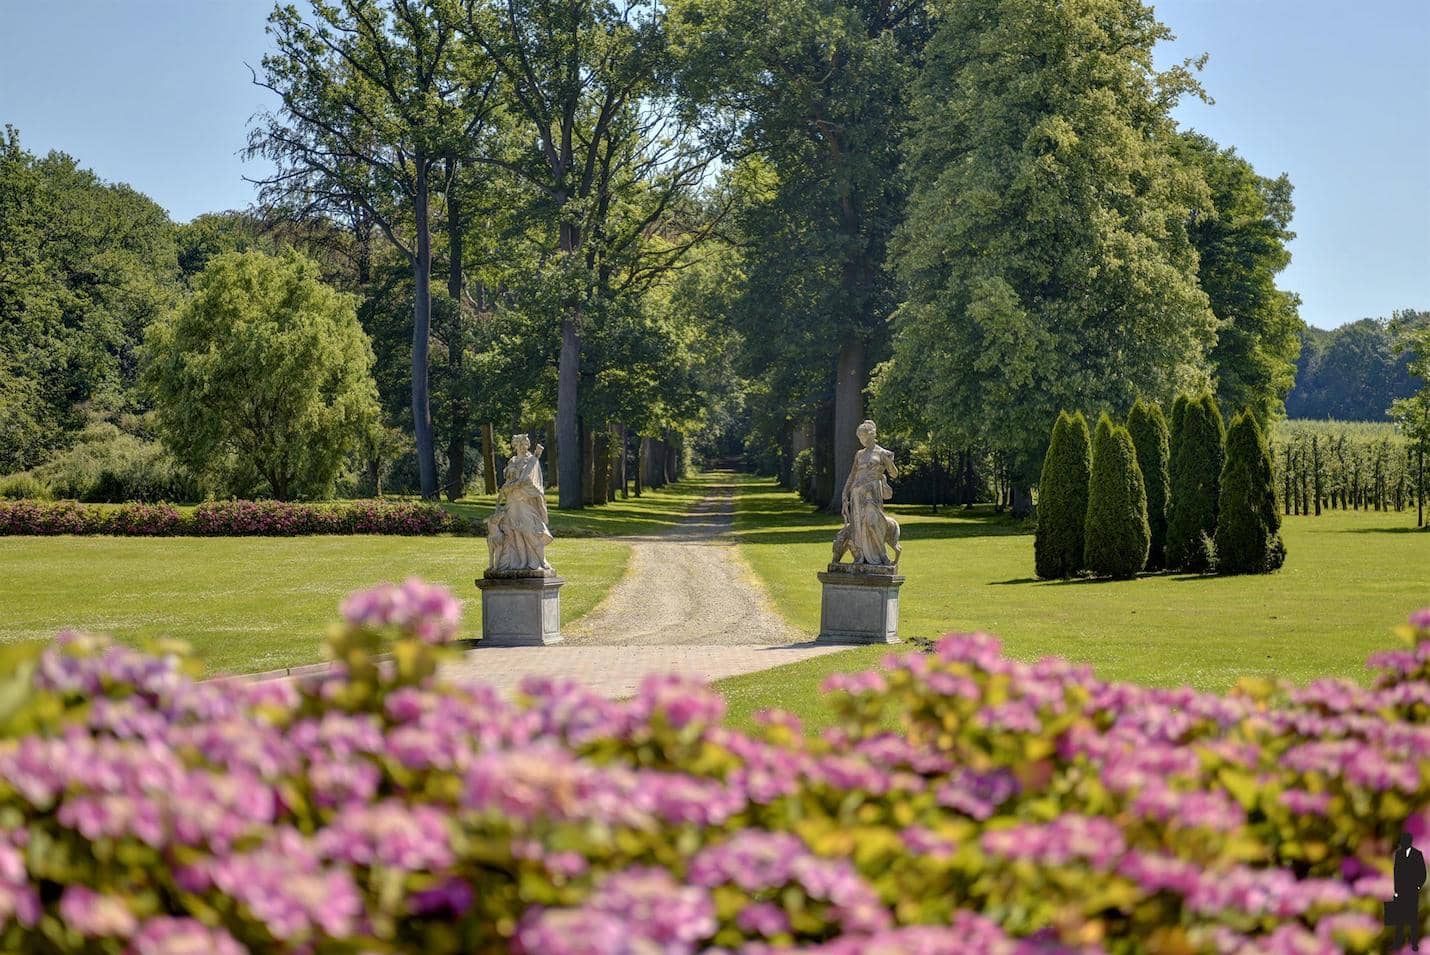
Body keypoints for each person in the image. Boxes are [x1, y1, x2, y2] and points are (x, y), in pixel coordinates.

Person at [487, 434, 554, 574]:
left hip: (526, 502)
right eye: (521, 444)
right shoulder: (512, 461)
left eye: (526, 444)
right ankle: (518, 562)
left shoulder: (532, 461)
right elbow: (507, 483)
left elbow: (534, 483)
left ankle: (538, 561)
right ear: (516, 445)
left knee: (530, 532)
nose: (524, 447)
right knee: (514, 534)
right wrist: (510, 487)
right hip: (512, 503)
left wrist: (522, 485)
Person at [837, 419, 900, 567]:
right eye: (860, 438)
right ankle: (860, 556)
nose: (862, 440)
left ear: (871, 435)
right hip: (856, 495)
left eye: (864, 437)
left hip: (872, 493)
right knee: (858, 525)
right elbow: (852, 475)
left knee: (872, 523)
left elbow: (894, 474)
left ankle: (881, 556)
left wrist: (889, 462)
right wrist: (844, 493)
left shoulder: (882, 453)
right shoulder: (859, 454)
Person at [1392, 831, 1427, 951]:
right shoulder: (1398, 854)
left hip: (1412, 890)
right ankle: (1398, 942)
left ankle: (1414, 943)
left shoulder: (1417, 854)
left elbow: (1422, 873)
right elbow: (1396, 873)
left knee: (1413, 919)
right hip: (1401, 890)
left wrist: (1417, 886)